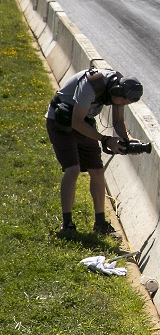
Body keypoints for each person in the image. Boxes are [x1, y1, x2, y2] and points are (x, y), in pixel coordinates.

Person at [46, 68, 144, 235]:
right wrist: (105, 140)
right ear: (116, 90)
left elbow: (118, 122)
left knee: (97, 170)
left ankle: (100, 223)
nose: (120, 105)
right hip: (61, 121)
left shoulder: (119, 91)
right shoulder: (91, 84)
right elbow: (76, 122)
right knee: (73, 168)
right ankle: (67, 224)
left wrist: (127, 140)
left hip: (84, 122)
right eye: (121, 101)